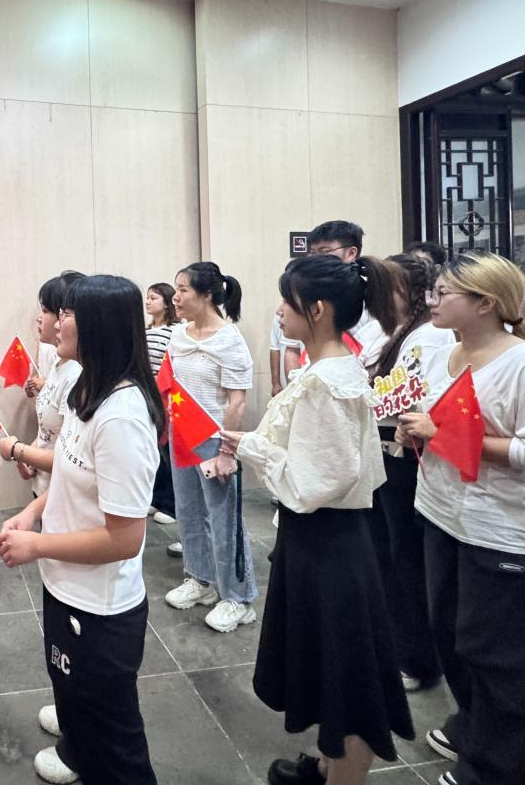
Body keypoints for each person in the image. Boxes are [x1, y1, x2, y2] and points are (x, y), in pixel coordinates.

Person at [222, 254, 411, 785]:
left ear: (318, 309)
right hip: (322, 538)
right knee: (332, 668)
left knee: (347, 679)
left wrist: (254, 448)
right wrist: (255, 443)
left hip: (330, 542)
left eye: (288, 301)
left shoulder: (328, 381)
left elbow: (319, 479)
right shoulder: (327, 369)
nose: (279, 311)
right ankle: (327, 766)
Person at [398, 253, 525, 785]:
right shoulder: (446, 353)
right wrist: (414, 431)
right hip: (443, 517)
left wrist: (443, 434)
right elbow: (438, 427)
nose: (432, 300)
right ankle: (475, 733)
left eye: (444, 293)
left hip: (503, 533)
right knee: (455, 641)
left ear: (485, 303)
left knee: (502, 662)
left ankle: (502, 771)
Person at [0, 275, 164, 785]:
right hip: (66, 583)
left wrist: (35, 544)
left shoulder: (122, 418)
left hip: (101, 607)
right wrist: (34, 511)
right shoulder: (85, 390)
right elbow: (71, 474)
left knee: (116, 740)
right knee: (74, 696)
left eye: (68, 314)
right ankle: (79, 751)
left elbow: (125, 538)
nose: (56, 323)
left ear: (99, 326)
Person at [368, 254, 451, 693]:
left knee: (407, 560)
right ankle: (402, 645)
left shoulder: (429, 337)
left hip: (407, 456)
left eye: (390, 287)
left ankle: (418, 657)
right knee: (391, 554)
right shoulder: (399, 330)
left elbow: (410, 398)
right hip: (390, 452)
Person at [163, 262, 259, 633]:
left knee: (224, 519)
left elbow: (236, 402)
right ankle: (199, 579)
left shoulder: (229, 340)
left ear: (206, 295)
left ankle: (238, 598)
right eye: (176, 289)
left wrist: (226, 452)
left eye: (183, 290)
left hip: (215, 439)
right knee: (188, 512)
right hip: (182, 435)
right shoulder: (178, 335)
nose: (176, 297)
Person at [14, 272, 85, 497]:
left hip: (63, 494)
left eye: (46, 311)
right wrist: (30, 453)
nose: (40, 319)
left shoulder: (77, 374)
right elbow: (48, 432)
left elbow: (70, 453)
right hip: (44, 487)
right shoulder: (57, 363)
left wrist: (16, 450)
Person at [307, 220, 388, 368]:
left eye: (324, 252)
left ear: (351, 253)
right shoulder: (309, 288)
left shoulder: (370, 290)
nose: (317, 259)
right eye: (313, 253)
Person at [145, 282, 178, 524]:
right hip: (147, 395)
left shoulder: (175, 331)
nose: (148, 302)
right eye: (147, 298)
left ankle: (170, 504)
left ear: (167, 303)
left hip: (166, 398)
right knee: (152, 450)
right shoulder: (145, 331)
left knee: (168, 452)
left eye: (153, 298)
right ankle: (156, 498)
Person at [269, 312, 302, 397]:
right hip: (292, 384)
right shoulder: (279, 315)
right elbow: (274, 348)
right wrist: (275, 383)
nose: (279, 310)